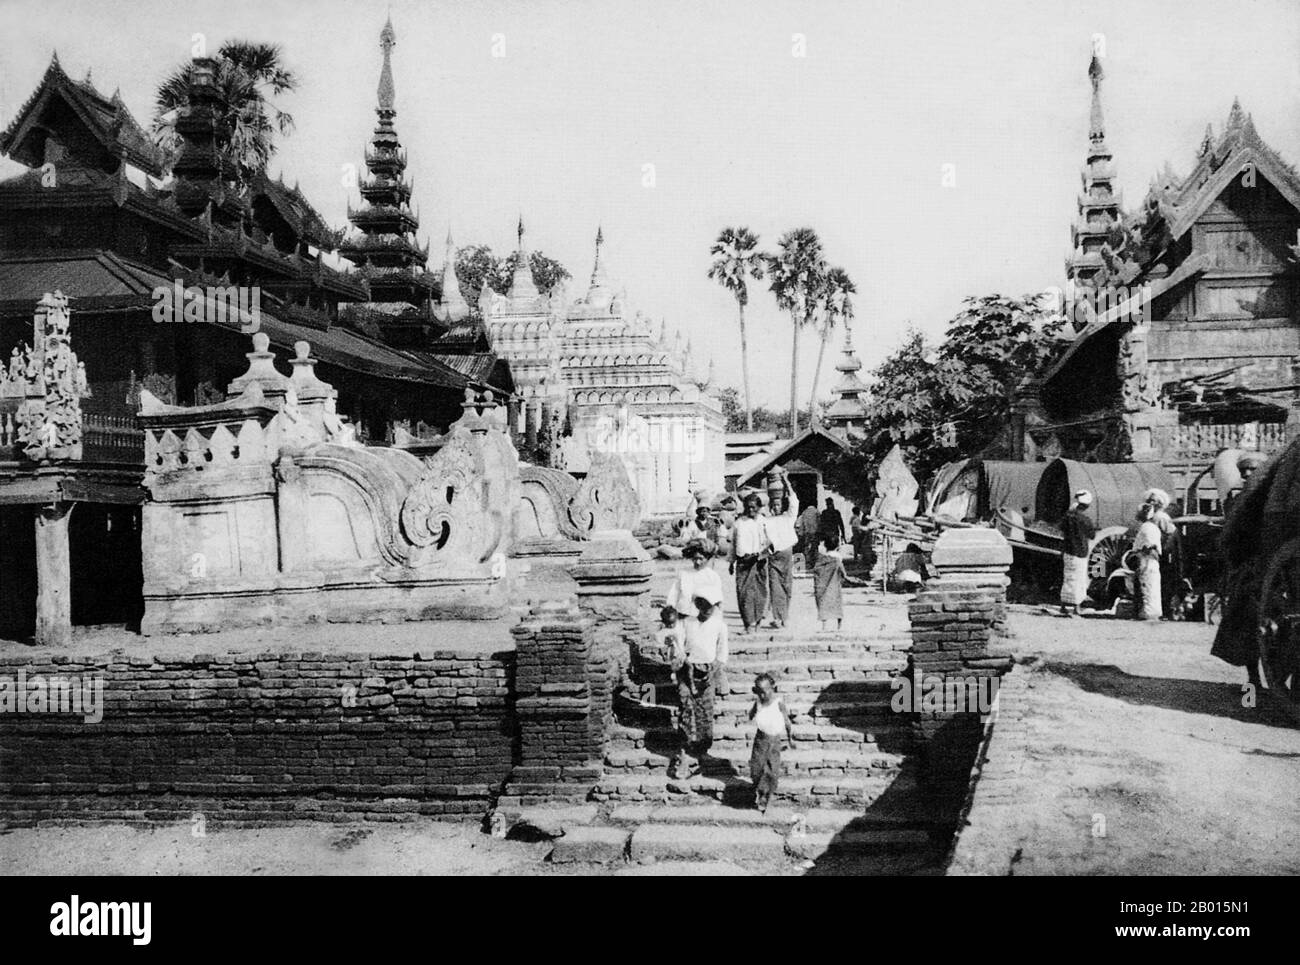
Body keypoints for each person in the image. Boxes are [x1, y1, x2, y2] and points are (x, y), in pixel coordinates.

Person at [670, 586, 729, 779]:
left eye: (710, 605)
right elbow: (678, 646)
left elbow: (722, 653)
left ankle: (703, 752)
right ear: (696, 604)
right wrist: (682, 659)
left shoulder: (719, 625)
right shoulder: (687, 623)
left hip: (707, 673)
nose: (706, 608)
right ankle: (685, 754)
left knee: (705, 711)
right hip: (687, 672)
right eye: (701, 604)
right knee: (687, 710)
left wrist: (714, 669)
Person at [747, 672, 793, 813]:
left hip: (773, 740)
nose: (762, 696)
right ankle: (759, 789)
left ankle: (764, 796)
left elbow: (787, 721)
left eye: (765, 692)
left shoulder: (778, 703)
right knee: (757, 767)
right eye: (759, 692)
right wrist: (751, 715)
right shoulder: (758, 702)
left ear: (772, 688)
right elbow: (751, 713)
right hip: (760, 739)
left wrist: (790, 738)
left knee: (771, 769)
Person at [763, 470, 799, 629]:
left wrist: (786, 481)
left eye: (778, 504)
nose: (776, 507)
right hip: (773, 555)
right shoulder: (767, 521)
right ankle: (778, 618)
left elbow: (794, 501)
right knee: (774, 586)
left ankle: (785, 616)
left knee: (787, 585)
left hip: (787, 554)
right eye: (774, 505)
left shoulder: (788, 517)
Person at [729, 492, 769, 634]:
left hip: (759, 562)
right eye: (748, 507)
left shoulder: (763, 521)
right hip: (743, 562)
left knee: (759, 593)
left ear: (759, 507)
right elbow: (733, 544)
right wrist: (731, 561)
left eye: (754, 507)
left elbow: (770, 541)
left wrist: (763, 553)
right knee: (743, 594)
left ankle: (758, 624)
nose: (751, 510)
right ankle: (747, 625)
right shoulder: (739, 523)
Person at [1143, 488, 1180, 618]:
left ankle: (1166, 610)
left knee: (1165, 582)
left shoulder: (1161, 518)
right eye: (1149, 501)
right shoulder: (1151, 517)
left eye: (1152, 501)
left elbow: (1172, 535)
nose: (1150, 503)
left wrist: (1164, 550)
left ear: (1159, 503)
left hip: (1163, 554)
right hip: (1155, 553)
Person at [1059, 489, 1096, 617]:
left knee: (1068, 577)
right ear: (1086, 506)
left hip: (1068, 551)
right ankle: (1076, 607)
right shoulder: (1086, 520)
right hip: (1080, 552)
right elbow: (1092, 535)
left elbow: (1061, 528)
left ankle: (1063, 606)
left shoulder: (1067, 517)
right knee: (1079, 579)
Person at [667, 538, 724, 618]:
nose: (697, 562)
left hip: (702, 618)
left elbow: (718, 602)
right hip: (683, 614)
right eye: (695, 558)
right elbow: (674, 594)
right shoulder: (684, 574)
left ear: (707, 559)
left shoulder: (712, 576)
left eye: (701, 559)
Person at [1131, 504, 1163, 621]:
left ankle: (1148, 612)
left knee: (1147, 585)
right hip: (1151, 560)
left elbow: (1149, 546)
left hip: (1147, 560)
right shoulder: (1152, 527)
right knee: (1151, 585)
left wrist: (1140, 557)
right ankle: (1153, 611)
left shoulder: (1146, 528)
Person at [813, 531, 848, 630]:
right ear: (837, 546)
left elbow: (817, 570)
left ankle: (824, 626)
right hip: (835, 584)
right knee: (837, 603)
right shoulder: (838, 558)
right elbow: (842, 571)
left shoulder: (822, 558)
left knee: (824, 603)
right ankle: (839, 626)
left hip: (823, 585)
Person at [795, 498, 821, 571]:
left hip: (807, 533)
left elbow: (801, 524)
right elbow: (819, 523)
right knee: (815, 548)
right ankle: (814, 563)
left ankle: (807, 563)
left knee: (807, 548)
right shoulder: (816, 512)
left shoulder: (804, 512)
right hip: (815, 533)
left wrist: (801, 533)